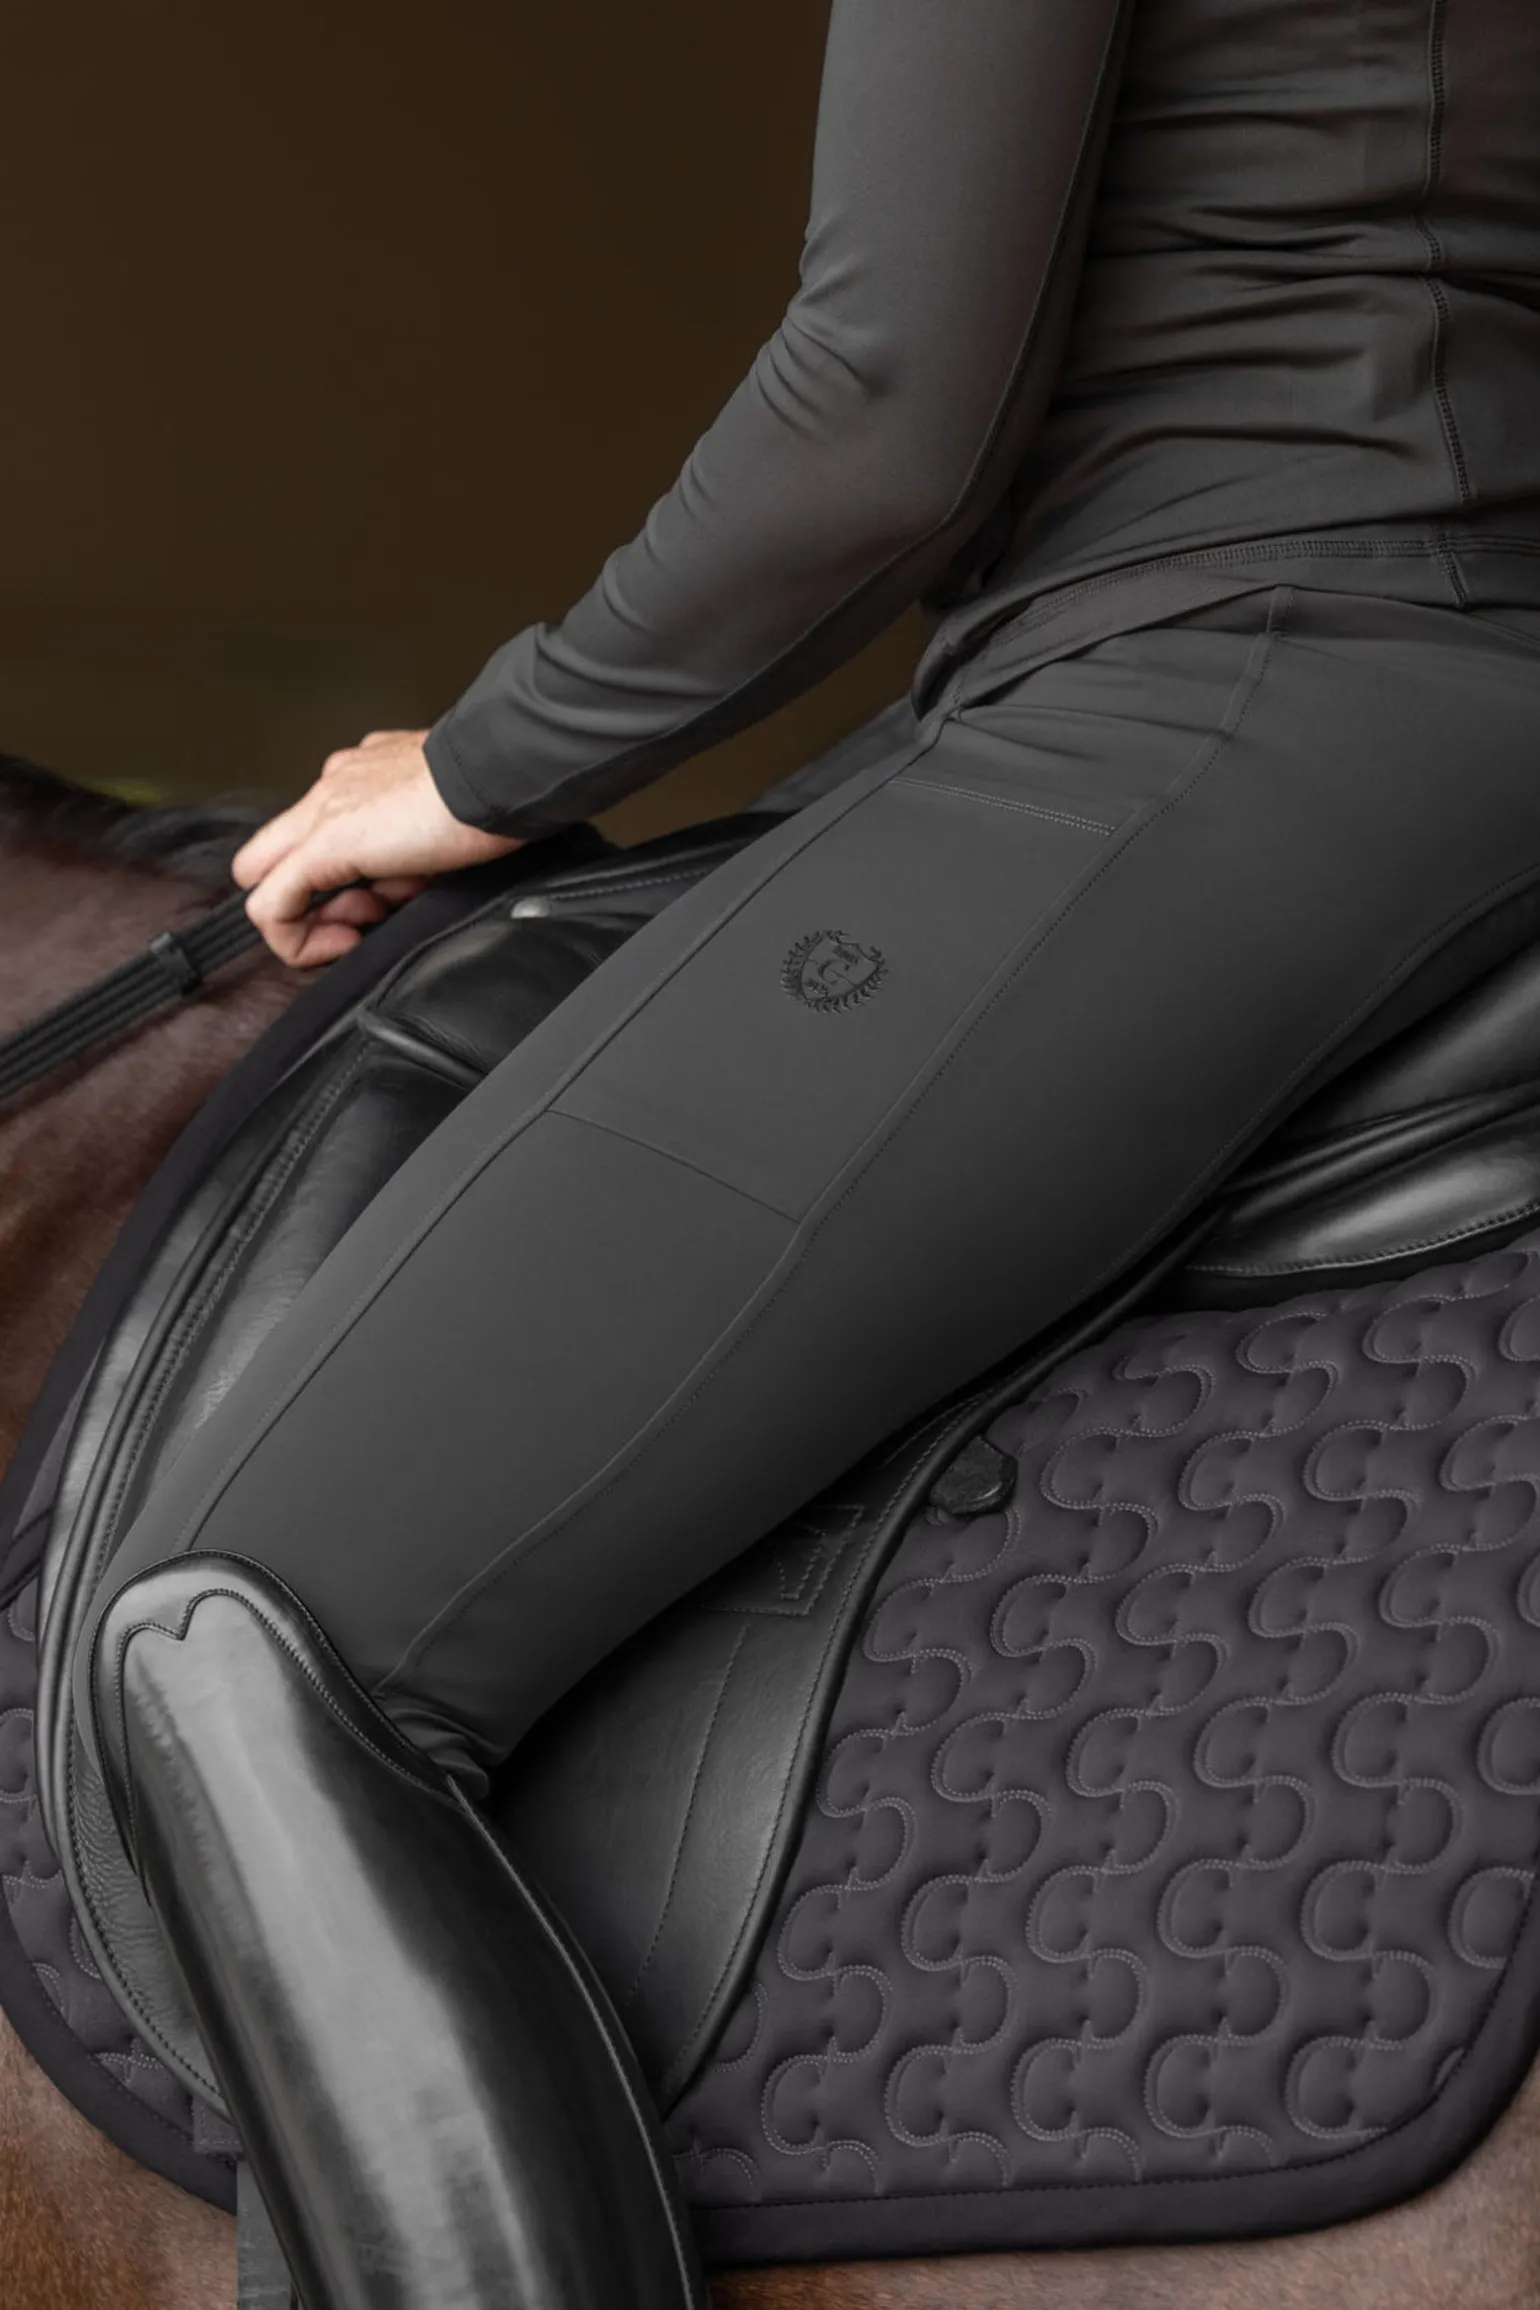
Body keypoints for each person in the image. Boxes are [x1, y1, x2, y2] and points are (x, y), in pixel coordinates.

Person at [76, 2, 1540, 2305]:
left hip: (1222, 689)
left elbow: (881, 416)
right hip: (1388, 693)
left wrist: (485, 756)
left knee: (243, 1636)